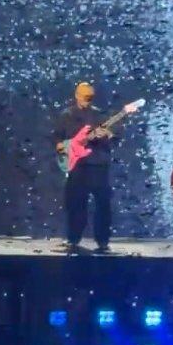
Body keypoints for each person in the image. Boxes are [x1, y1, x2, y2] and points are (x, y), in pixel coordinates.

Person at [54, 82, 115, 255]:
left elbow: (113, 137)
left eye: (90, 97)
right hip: (77, 166)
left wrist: (107, 135)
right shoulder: (66, 115)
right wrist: (62, 147)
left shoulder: (100, 115)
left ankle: (103, 241)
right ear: (77, 95)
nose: (87, 100)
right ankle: (73, 239)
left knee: (103, 204)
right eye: (84, 97)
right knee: (75, 204)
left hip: (97, 165)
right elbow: (57, 138)